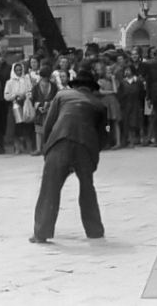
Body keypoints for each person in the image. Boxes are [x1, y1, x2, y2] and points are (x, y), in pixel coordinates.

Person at [30, 70, 107, 244]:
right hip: (85, 146)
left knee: (49, 188)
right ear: (92, 88)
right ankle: (94, 231)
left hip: (59, 141)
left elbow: (48, 124)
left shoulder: (61, 95)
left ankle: (41, 232)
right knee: (87, 188)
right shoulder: (99, 105)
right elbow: (103, 136)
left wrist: (46, 149)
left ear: (75, 85)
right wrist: (92, 155)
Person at [30, 65, 57, 156]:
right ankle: (38, 149)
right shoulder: (36, 87)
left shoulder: (53, 86)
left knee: (49, 129)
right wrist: (39, 107)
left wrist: (48, 104)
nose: (45, 79)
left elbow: (55, 97)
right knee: (38, 130)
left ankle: (47, 147)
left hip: (50, 110)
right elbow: (33, 99)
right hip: (40, 110)